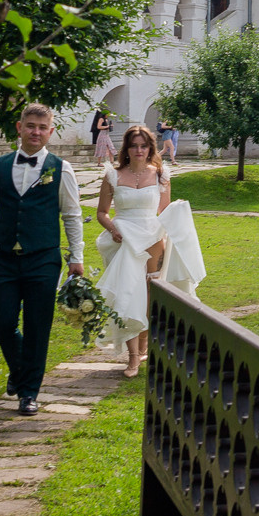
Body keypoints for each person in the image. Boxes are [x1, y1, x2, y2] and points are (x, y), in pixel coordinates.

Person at [0, 103, 86, 415]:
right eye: (31, 125)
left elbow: (72, 215)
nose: (36, 132)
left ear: (51, 132)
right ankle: (20, 371)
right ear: (19, 128)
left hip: (43, 259)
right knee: (1, 321)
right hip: (3, 257)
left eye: (42, 127)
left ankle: (29, 392)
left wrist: (76, 257)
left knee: (37, 326)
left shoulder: (62, 169)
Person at [95, 124, 207, 378]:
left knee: (150, 295)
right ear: (126, 148)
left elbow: (164, 213)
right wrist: (113, 229)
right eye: (134, 145)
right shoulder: (112, 175)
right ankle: (133, 357)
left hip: (153, 239)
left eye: (143, 145)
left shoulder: (160, 175)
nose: (139, 150)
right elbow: (101, 213)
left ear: (150, 148)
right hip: (123, 239)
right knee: (128, 294)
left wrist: (178, 223)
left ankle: (144, 344)